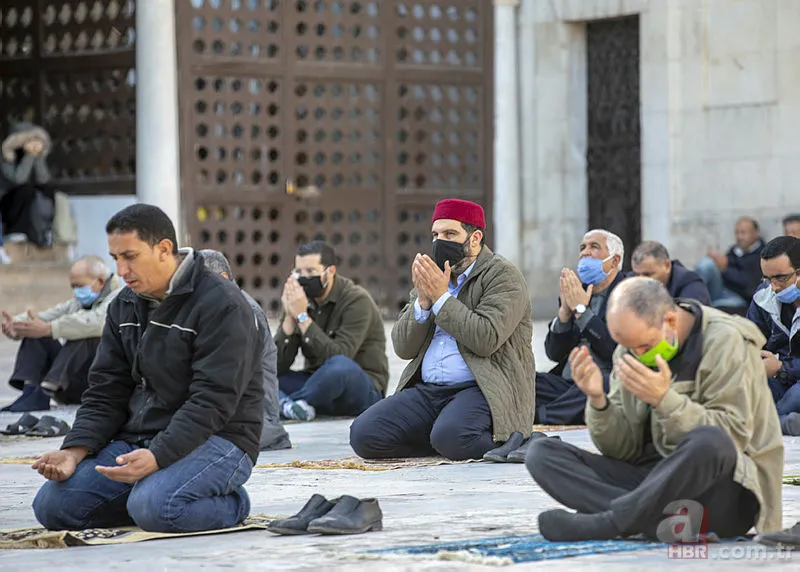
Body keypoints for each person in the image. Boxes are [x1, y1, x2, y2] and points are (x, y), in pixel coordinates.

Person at [31, 204, 264, 533]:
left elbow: (213, 401)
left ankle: (231, 501)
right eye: (115, 259)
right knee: (52, 508)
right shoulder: (123, 305)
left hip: (220, 438)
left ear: (164, 249)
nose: (122, 270)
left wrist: (158, 456)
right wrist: (73, 450)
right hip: (140, 438)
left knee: (157, 508)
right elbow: (105, 391)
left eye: (130, 256)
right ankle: (156, 493)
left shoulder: (222, 304)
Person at [526, 277, 783, 542]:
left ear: (670, 322)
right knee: (541, 453)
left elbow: (733, 437)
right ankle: (648, 519)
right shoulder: (629, 351)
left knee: (710, 440)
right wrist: (598, 400)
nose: (635, 354)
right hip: (656, 484)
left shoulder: (725, 342)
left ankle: (611, 522)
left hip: (726, 492)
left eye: (643, 347)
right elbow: (622, 450)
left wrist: (664, 400)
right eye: (629, 348)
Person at [349, 198, 535, 461]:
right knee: (365, 435)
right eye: (435, 234)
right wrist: (423, 303)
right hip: (430, 391)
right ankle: (440, 442)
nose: (440, 241)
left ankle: (519, 442)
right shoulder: (435, 276)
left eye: (450, 234)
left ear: (475, 238)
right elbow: (403, 348)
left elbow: (485, 338)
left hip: (483, 389)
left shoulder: (502, 276)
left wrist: (441, 299)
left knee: (453, 437)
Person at [275, 241, 388, 421]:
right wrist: (290, 318)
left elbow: (340, 356)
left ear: (330, 272)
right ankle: (296, 406)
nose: (303, 278)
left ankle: (284, 405)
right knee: (263, 375)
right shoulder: (299, 300)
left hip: (359, 389)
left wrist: (303, 319)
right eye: (298, 272)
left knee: (339, 367)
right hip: (316, 384)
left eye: (311, 272)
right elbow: (276, 366)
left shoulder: (356, 300)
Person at [1, 256, 123, 412]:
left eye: (79, 286)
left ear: (99, 282)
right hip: (72, 383)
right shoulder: (77, 303)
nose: (76, 291)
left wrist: (50, 328)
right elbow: (45, 317)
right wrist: (16, 325)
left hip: (99, 383)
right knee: (37, 333)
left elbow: (97, 322)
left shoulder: (119, 297)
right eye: (73, 286)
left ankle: (47, 389)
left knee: (84, 334)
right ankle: (32, 392)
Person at [199, 249, 291, 451]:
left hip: (254, 418)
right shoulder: (212, 309)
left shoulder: (244, 312)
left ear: (222, 279)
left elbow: (229, 377)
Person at [535, 229, 625, 425]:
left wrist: (582, 312)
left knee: (598, 388)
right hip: (568, 382)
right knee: (525, 381)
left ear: (614, 261)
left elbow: (614, 350)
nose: (585, 252)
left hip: (605, 379)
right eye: (582, 247)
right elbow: (554, 354)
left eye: (594, 247)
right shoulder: (578, 291)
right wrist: (565, 314)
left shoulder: (628, 293)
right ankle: (554, 410)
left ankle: (541, 416)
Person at [745, 236, 800, 434]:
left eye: (781, 278)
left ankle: (770, 424)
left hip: (790, 375)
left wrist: (781, 367)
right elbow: (750, 337)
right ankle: (782, 422)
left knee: (796, 395)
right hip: (777, 377)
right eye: (768, 279)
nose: (774, 286)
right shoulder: (764, 296)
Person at [0, 122, 54, 264]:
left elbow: (43, 179)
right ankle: (15, 231)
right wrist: (29, 156)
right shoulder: (7, 156)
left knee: (47, 190)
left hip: (30, 205)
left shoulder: (36, 153)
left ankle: (43, 231)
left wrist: (38, 157)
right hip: (8, 202)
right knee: (25, 190)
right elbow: (18, 179)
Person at [695, 216, 765, 309]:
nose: (739, 237)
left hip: (742, 298)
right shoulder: (735, 250)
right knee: (706, 263)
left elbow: (749, 286)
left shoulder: (762, 254)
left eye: (743, 233)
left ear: (755, 234)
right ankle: (693, 297)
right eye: (737, 233)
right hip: (722, 290)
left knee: (715, 306)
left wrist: (724, 269)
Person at [631, 241, 710, 305]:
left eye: (648, 275)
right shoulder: (631, 281)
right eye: (637, 275)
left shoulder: (691, 285)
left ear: (667, 265)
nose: (641, 281)